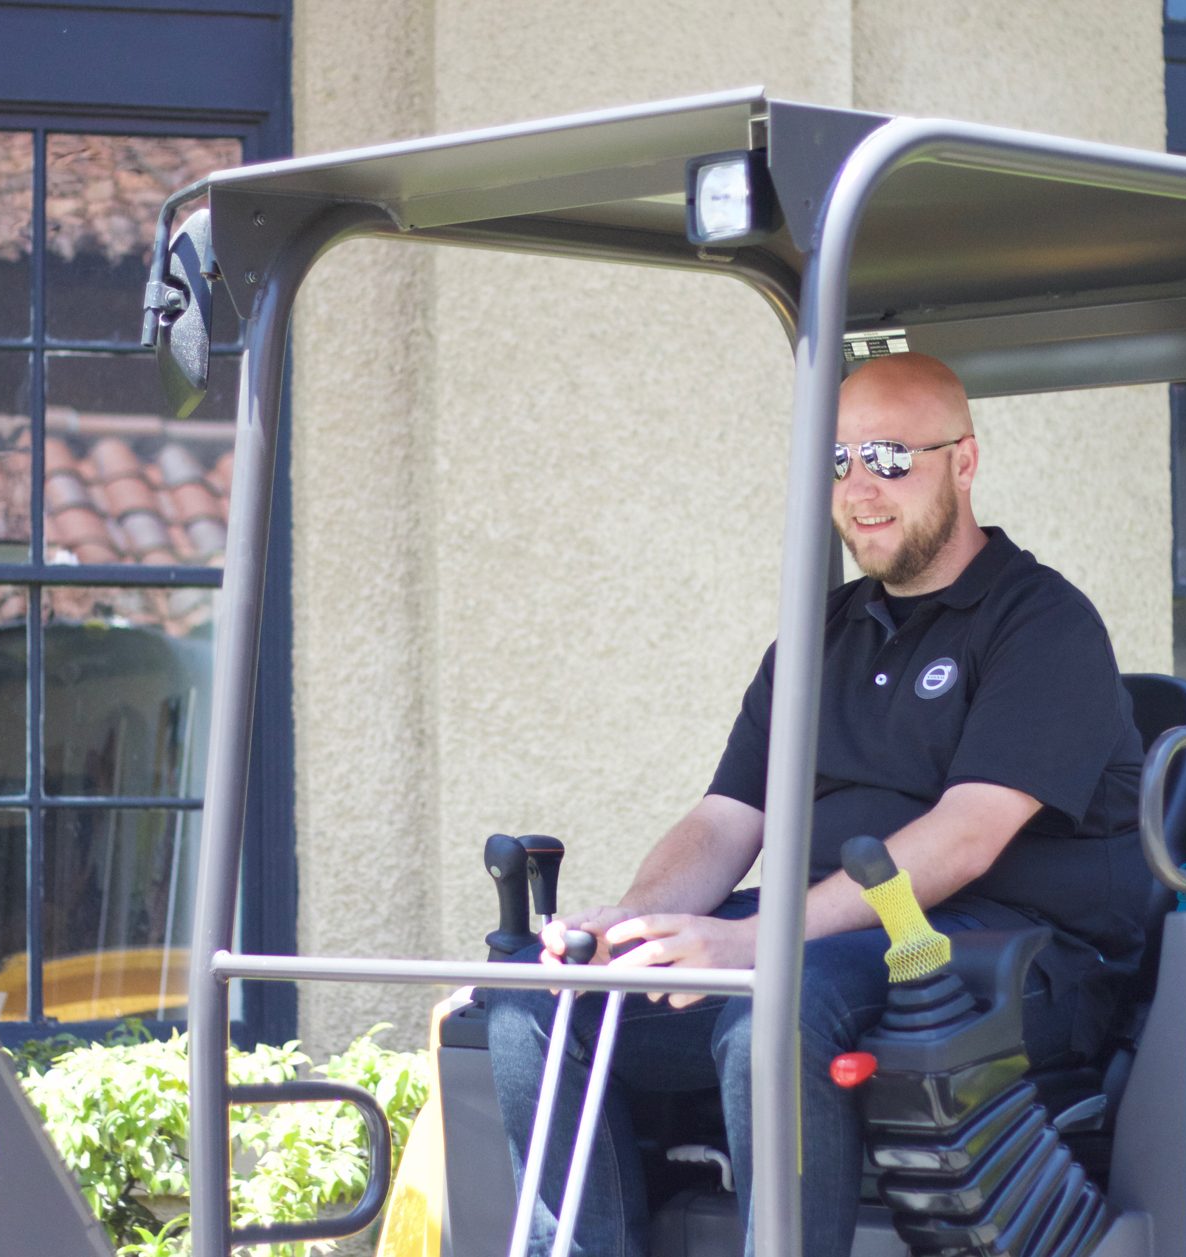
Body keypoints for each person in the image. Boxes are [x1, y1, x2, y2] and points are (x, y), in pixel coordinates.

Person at [485, 352, 1148, 1256]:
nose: (859, 489)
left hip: (1004, 953)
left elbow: (963, 839)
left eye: (887, 457)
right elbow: (725, 819)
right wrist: (630, 927)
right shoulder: (817, 635)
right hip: (831, 940)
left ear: (963, 459)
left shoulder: (1042, 623)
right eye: (837, 462)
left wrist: (756, 940)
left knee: (778, 1009)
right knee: (541, 1002)